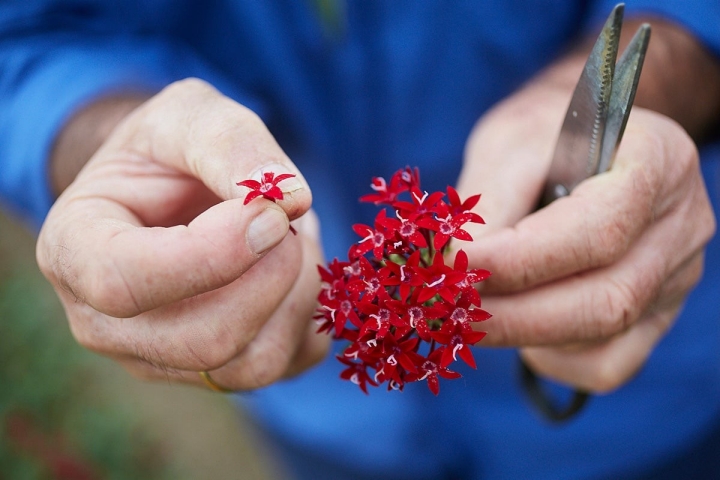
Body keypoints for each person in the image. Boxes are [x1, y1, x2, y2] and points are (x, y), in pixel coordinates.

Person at [1, 1, 719, 478]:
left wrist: (666, 76)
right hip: (330, 428)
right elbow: (22, 44)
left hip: (654, 404)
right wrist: (97, 136)